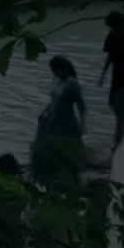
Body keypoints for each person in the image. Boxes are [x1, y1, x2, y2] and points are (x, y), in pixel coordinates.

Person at [32, 55, 87, 187]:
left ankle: (71, 175)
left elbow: (81, 106)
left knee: (67, 148)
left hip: (66, 120)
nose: (55, 74)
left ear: (65, 69)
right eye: (53, 71)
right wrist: (43, 112)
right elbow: (53, 101)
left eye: (57, 71)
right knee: (50, 145)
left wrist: (83, 123)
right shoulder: (56, 80)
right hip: (52, 118)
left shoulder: (72, 83)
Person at [100, 11, 124, 148]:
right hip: (117, 78)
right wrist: (103, 72)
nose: (113, 30)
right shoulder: (112, 37)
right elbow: (111, 55)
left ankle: (117, 145)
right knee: (115, 108)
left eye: (115, 27)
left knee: (120, 114)